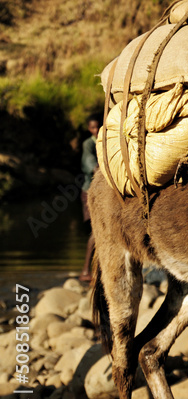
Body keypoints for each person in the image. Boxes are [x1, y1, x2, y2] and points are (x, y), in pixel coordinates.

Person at [79, 116, 100, 284]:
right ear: (89, 128)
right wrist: (97, 170)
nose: (96, 131)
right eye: (93, 128)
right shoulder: (89, 144)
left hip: (99, 190)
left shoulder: (104, 141)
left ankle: (94, 270)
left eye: (98, 127)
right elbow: (89, 162)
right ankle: (87, 270)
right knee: (96, 231)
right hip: (90, 191)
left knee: (98, 231)